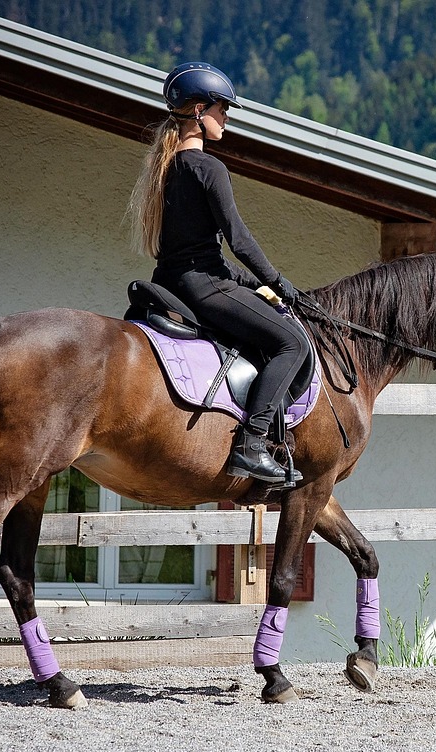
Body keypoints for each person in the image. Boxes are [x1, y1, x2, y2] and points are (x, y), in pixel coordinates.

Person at [127, 62, 309, 485]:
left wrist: (252, 284)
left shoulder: (166, 167)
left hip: (174, 283)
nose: (226, 116)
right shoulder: (209, 169)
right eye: (221, 108)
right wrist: (280, 282)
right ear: (197, 111)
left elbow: (197, 252)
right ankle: (252, 443)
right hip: (203, 288)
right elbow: (239, 240)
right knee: (292, 342)